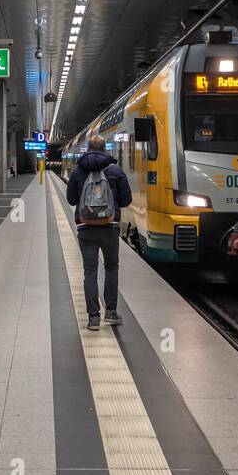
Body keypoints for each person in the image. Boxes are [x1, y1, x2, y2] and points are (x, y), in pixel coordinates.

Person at [66, 135, 132, 330]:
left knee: (90, 273)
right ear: (105, 149)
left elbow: (70, 199)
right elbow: (127, 200)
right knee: (111, 268)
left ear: (88, 148)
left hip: (86, 229)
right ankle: (111, 313)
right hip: (110, 228)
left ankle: (93, 318)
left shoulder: (78, 171)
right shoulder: (115, 170)